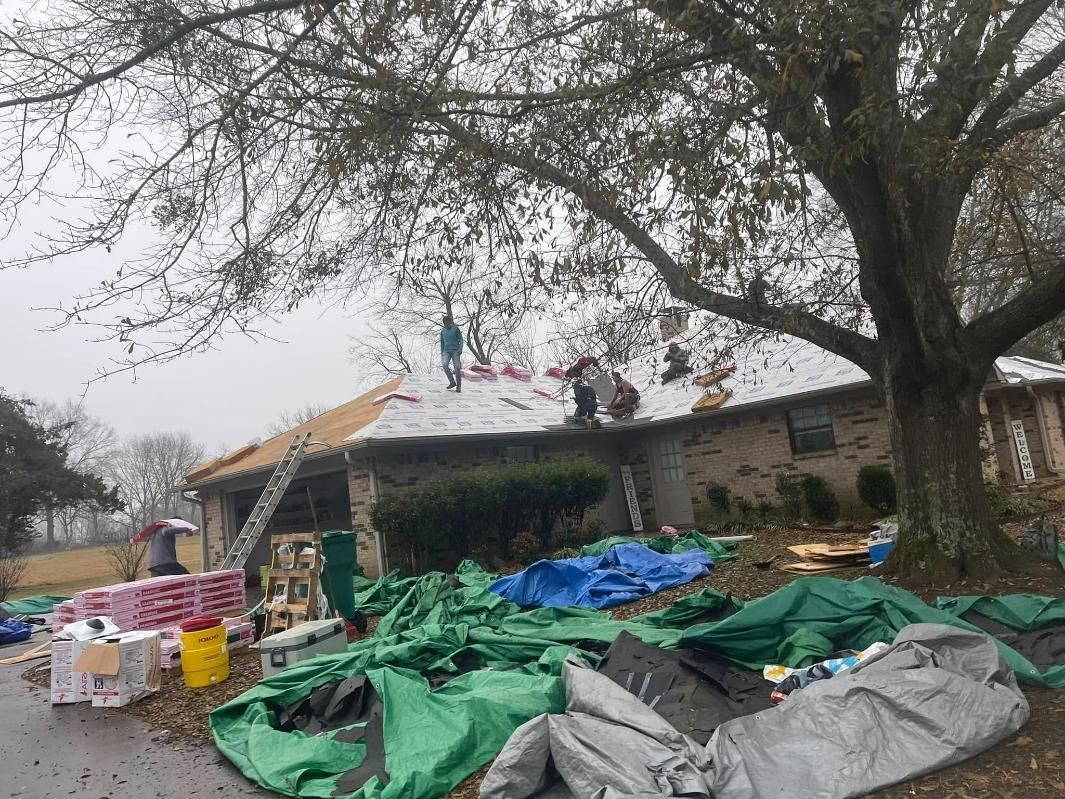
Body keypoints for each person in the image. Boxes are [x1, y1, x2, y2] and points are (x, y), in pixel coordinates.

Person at [440, 314, 464, 392]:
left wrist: (460, 348)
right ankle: (452, 382)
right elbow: (442, 343)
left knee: (457, 367)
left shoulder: (455, 329)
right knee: (444, 364)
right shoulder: (443, 331)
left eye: (448, 322)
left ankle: (459, 386)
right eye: (445, 323)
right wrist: (442, 353)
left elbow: (461, 340)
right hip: (446, 351)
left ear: (450, 322)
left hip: (455, 350)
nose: (446, 324)